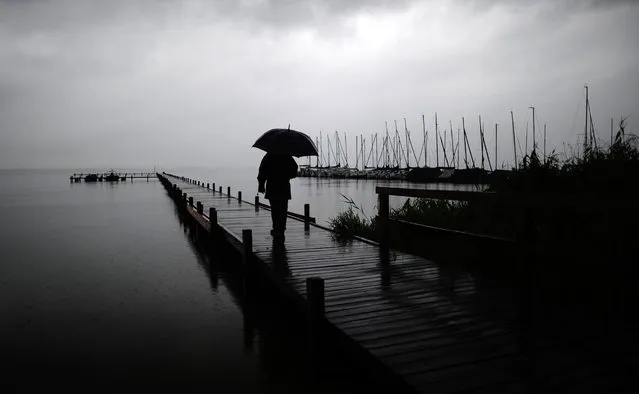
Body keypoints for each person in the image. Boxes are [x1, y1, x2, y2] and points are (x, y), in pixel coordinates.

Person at [257, 152, 298, 240]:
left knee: (275, 209)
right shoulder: (288, 156)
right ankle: (281, 229)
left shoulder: (268, 155)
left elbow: (262, 170)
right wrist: (286, 176)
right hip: (284, 186)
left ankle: (276, 229)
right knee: (283, 209)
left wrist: (261, 185)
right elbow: (295, 171)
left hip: (272, 186)